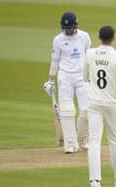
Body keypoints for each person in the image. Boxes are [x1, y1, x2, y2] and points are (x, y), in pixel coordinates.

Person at [84, 25, 116, 187]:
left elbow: (85, 76)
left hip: (94, 102)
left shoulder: (90, 54)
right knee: (113, 139)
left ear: (99, 37)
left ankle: (95, 181)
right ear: (114, 38)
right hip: (111, 102)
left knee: (94, 140)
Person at [43, 12, 91, 153]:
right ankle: (70, 143)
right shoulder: (58, 39)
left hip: (82, 76)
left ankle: (82, 140)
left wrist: (91, 77)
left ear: (76, 25)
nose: (68, 30)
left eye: (70, 27)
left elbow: (90, 57)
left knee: (87, 110)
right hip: (65, 77)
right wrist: (50, 80)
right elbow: (55, 60)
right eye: (66, 28)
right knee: (67, 110)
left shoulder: (84, 36)